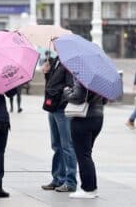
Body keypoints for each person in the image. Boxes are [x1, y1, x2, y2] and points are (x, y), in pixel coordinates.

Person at [63, 77, 107, 199]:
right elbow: (105, 100)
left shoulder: (83, 77)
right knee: (86, 154)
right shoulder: (101, 80)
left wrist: (66, 91)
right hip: (98, 117)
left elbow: (77, 97)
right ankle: (92, 187)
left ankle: (88, 189)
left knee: (83, 155)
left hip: (83, 119)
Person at [41, 56, 77, 192]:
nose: (53, 43)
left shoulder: (68, 63)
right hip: (52, 108)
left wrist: (61, 101)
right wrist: (47, 74)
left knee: (67, 145)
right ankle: (58, 179)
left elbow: (70, 85)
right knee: (56, 145)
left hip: (61, 109)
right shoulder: (56, 60)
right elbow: (52, 84)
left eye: (56, 40)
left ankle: (71, 182)